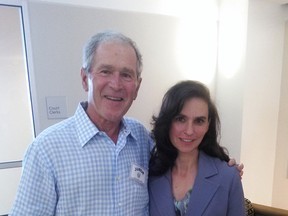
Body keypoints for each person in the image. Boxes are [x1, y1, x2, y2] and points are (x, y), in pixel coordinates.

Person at [10, 31, 243, 216]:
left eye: (126, 75)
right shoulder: (46, 150)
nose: (116, 84)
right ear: (85, 78)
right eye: (106, 71)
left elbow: (183, 143)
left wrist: (224, 166)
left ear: (137, 86)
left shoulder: (141, 139)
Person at [148, 80, 246, 216]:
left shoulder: (228, 177)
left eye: (199, 121)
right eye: (181, 119)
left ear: (208, 124)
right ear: (168, 121)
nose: (189, 131)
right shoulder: (150, 173)